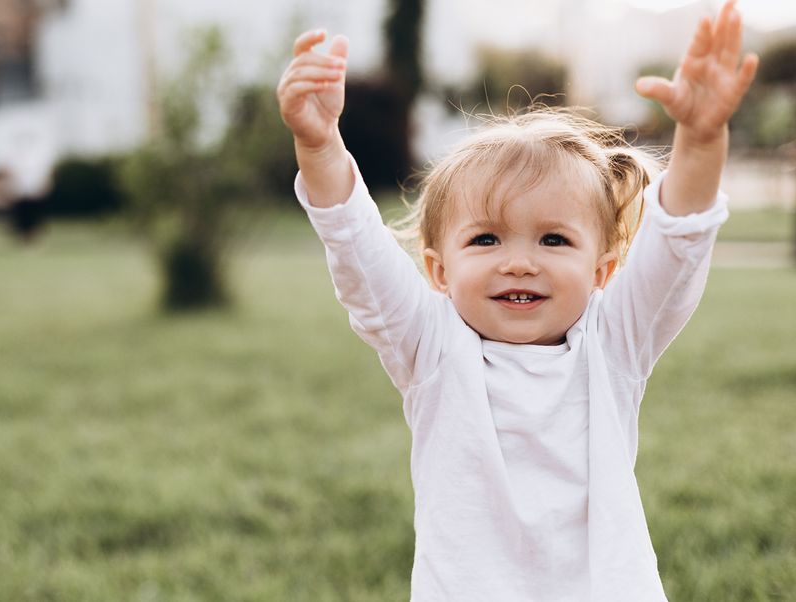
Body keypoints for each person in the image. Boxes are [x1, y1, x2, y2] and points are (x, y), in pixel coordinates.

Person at [275, 1, 758, 600]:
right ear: (439, 270)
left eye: (554, 238)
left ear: (603, 269)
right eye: (486, 238)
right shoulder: (429, 346)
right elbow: (358, 252)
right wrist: (320, 148)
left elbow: (678, 243)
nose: (520, 261)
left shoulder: (614, 344)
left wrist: (702, 139)